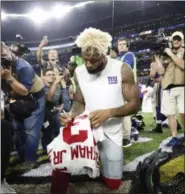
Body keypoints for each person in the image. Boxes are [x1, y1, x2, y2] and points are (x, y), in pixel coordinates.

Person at [52, 27, 139, 194]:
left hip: (111, 129)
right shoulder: (78, 71)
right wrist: (72, 115)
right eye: (86, 59)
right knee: (61, 156)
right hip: (87, 125)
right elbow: (79, 101)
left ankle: (101, 162)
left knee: (113, 183)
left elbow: (135, 104)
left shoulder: (121, 69)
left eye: (94, 60)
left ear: (104, 53)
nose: (89, 64)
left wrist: (110, 112)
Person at [1, 42, 45, 168]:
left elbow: (24, 91)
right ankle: (21, 156)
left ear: (8, 50)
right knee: (17, 129)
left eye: (2, 54)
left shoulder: (23, 66)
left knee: (31, 130)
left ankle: (29, 160)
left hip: (34, 97)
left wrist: (9, 77)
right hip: (14, 99)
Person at [160, 31, 184, 147]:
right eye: (174, 39)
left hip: (182, 86)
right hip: (168, 87)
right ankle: (174, 137)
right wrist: (158, 59)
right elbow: (160, 72)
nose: (176, 41)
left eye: (179, 39)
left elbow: (183, 65)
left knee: (184, 113)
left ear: (182, 41)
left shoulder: (183, 52)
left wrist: (171, 54)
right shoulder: (165, 54)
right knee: (170, 114)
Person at [117, 37, 137, 147]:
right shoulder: (119, 58)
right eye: (120, 44)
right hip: (120, 88)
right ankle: (123, 135)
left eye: (124, 44)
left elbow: (124, 70)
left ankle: (126, 137)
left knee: (125, 113)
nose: (121, 46)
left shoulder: (129, 55)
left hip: (127, 87)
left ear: (127, 46)